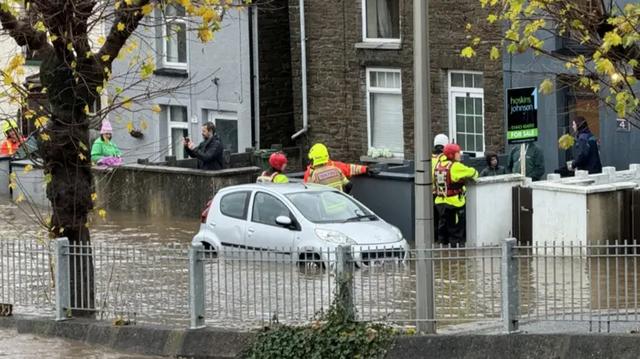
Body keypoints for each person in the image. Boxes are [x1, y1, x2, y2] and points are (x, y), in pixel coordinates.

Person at [433, 143, 478, 247]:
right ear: (452, 155)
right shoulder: (456, 166)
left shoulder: (438, 165)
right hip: (454, 204)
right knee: (455, 230)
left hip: (440, 203)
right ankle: (455, 255)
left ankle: (442, 252)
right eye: (458, 153)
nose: (460, 154)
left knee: (443, 228)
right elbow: (473, 173)